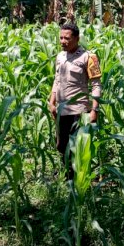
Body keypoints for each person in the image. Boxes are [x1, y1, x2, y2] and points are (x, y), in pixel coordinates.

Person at [48, 23, 102, 180]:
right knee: (61, 145)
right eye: (61, 38)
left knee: (77, 147)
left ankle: (78, 180)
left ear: (77, 39)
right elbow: (57, 80)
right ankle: (68, 175)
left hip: (79, 111)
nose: (63, 41)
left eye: (67, 38)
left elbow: (96, 85)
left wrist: (94, 110)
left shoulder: (88, 57)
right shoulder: (60, 56)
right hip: (62, 110)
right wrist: (52, 102)